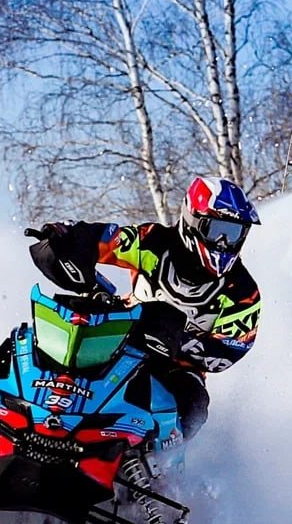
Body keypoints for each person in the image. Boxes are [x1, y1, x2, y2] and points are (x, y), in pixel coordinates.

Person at [26, 176, 262, 439]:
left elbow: (232, 347)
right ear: (194, 219)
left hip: (176, 367)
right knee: (45, 338)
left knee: (193, 404)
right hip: (119, 338)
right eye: (217, 230)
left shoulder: (243, 292)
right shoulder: (153, 241)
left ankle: (166, 472)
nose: (222, 242)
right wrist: (70, 235)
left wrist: (178, 340)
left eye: (234, 233)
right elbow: (107, 239)